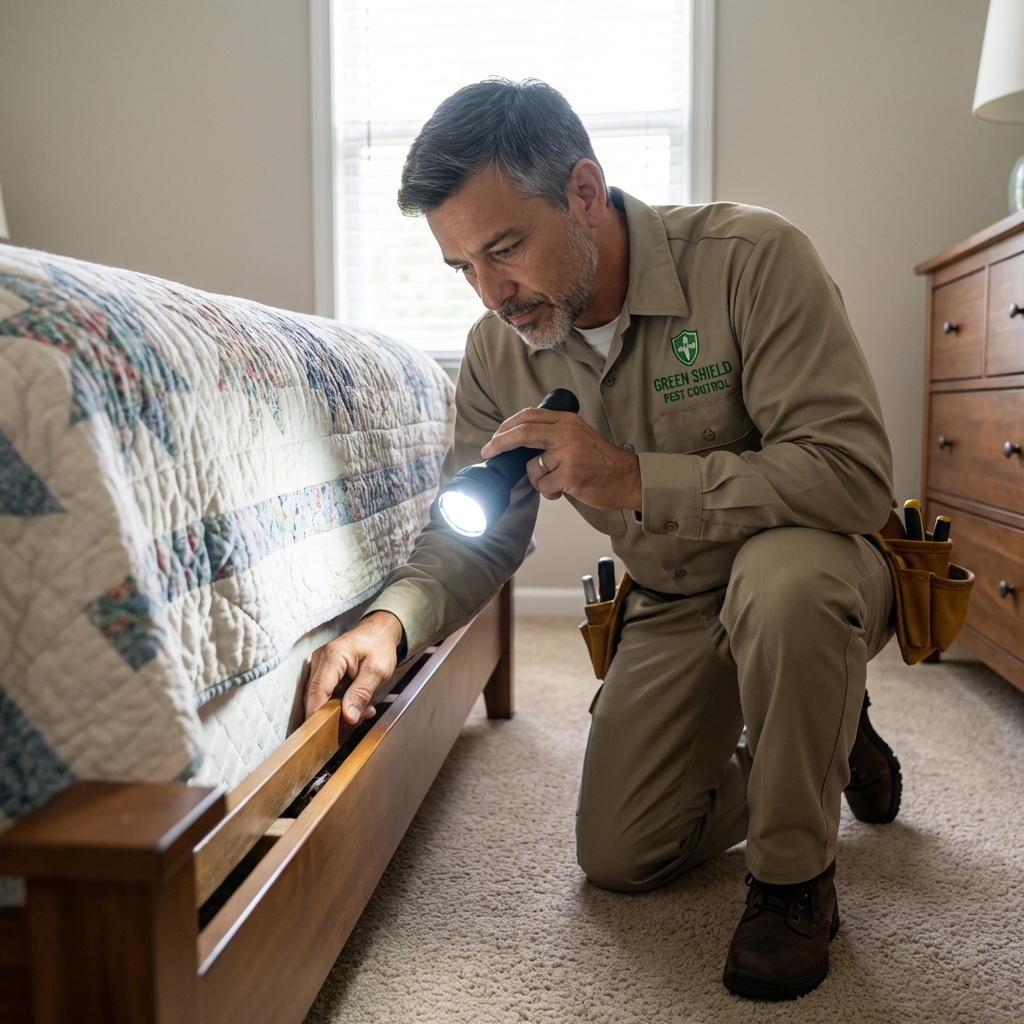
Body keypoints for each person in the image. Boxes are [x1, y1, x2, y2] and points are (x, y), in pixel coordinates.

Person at [304, 78, 902, 1000]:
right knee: (623, 854)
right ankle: (825, 724)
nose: (493, 292)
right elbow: (474, 537)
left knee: (783, 585)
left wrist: (630, 477)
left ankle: (794, 884)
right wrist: (392, 623)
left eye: (505, 249)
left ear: (584, 192)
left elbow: (852, 474)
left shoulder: (752, 258)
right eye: (463, 265)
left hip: (814, 563)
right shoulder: (497, 353)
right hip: (672, 594)